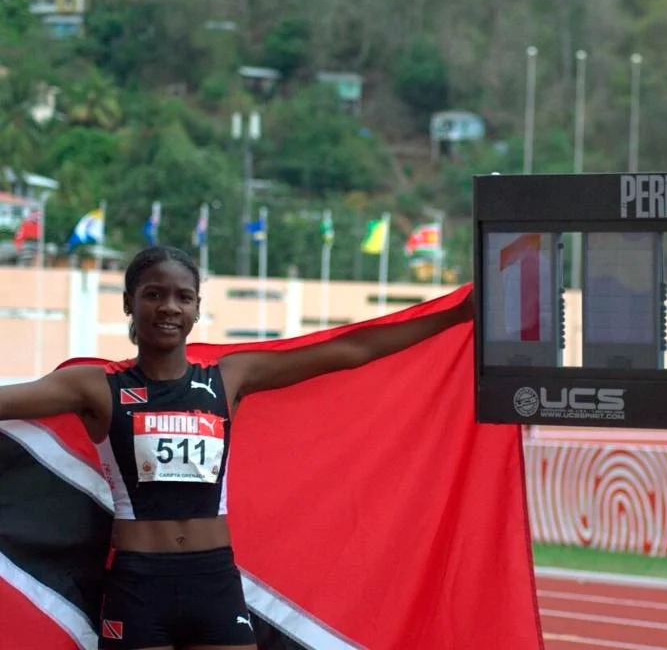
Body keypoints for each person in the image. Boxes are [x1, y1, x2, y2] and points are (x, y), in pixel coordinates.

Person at [0, 245, 473, 650]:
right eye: (154, 294)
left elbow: (353, 351)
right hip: (139, 582)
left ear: (197, 309)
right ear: (129, 303)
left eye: (183, 297)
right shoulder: (97, 387)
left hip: (213, 580)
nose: (169, 307)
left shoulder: (228, 379)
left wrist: (457, 315)